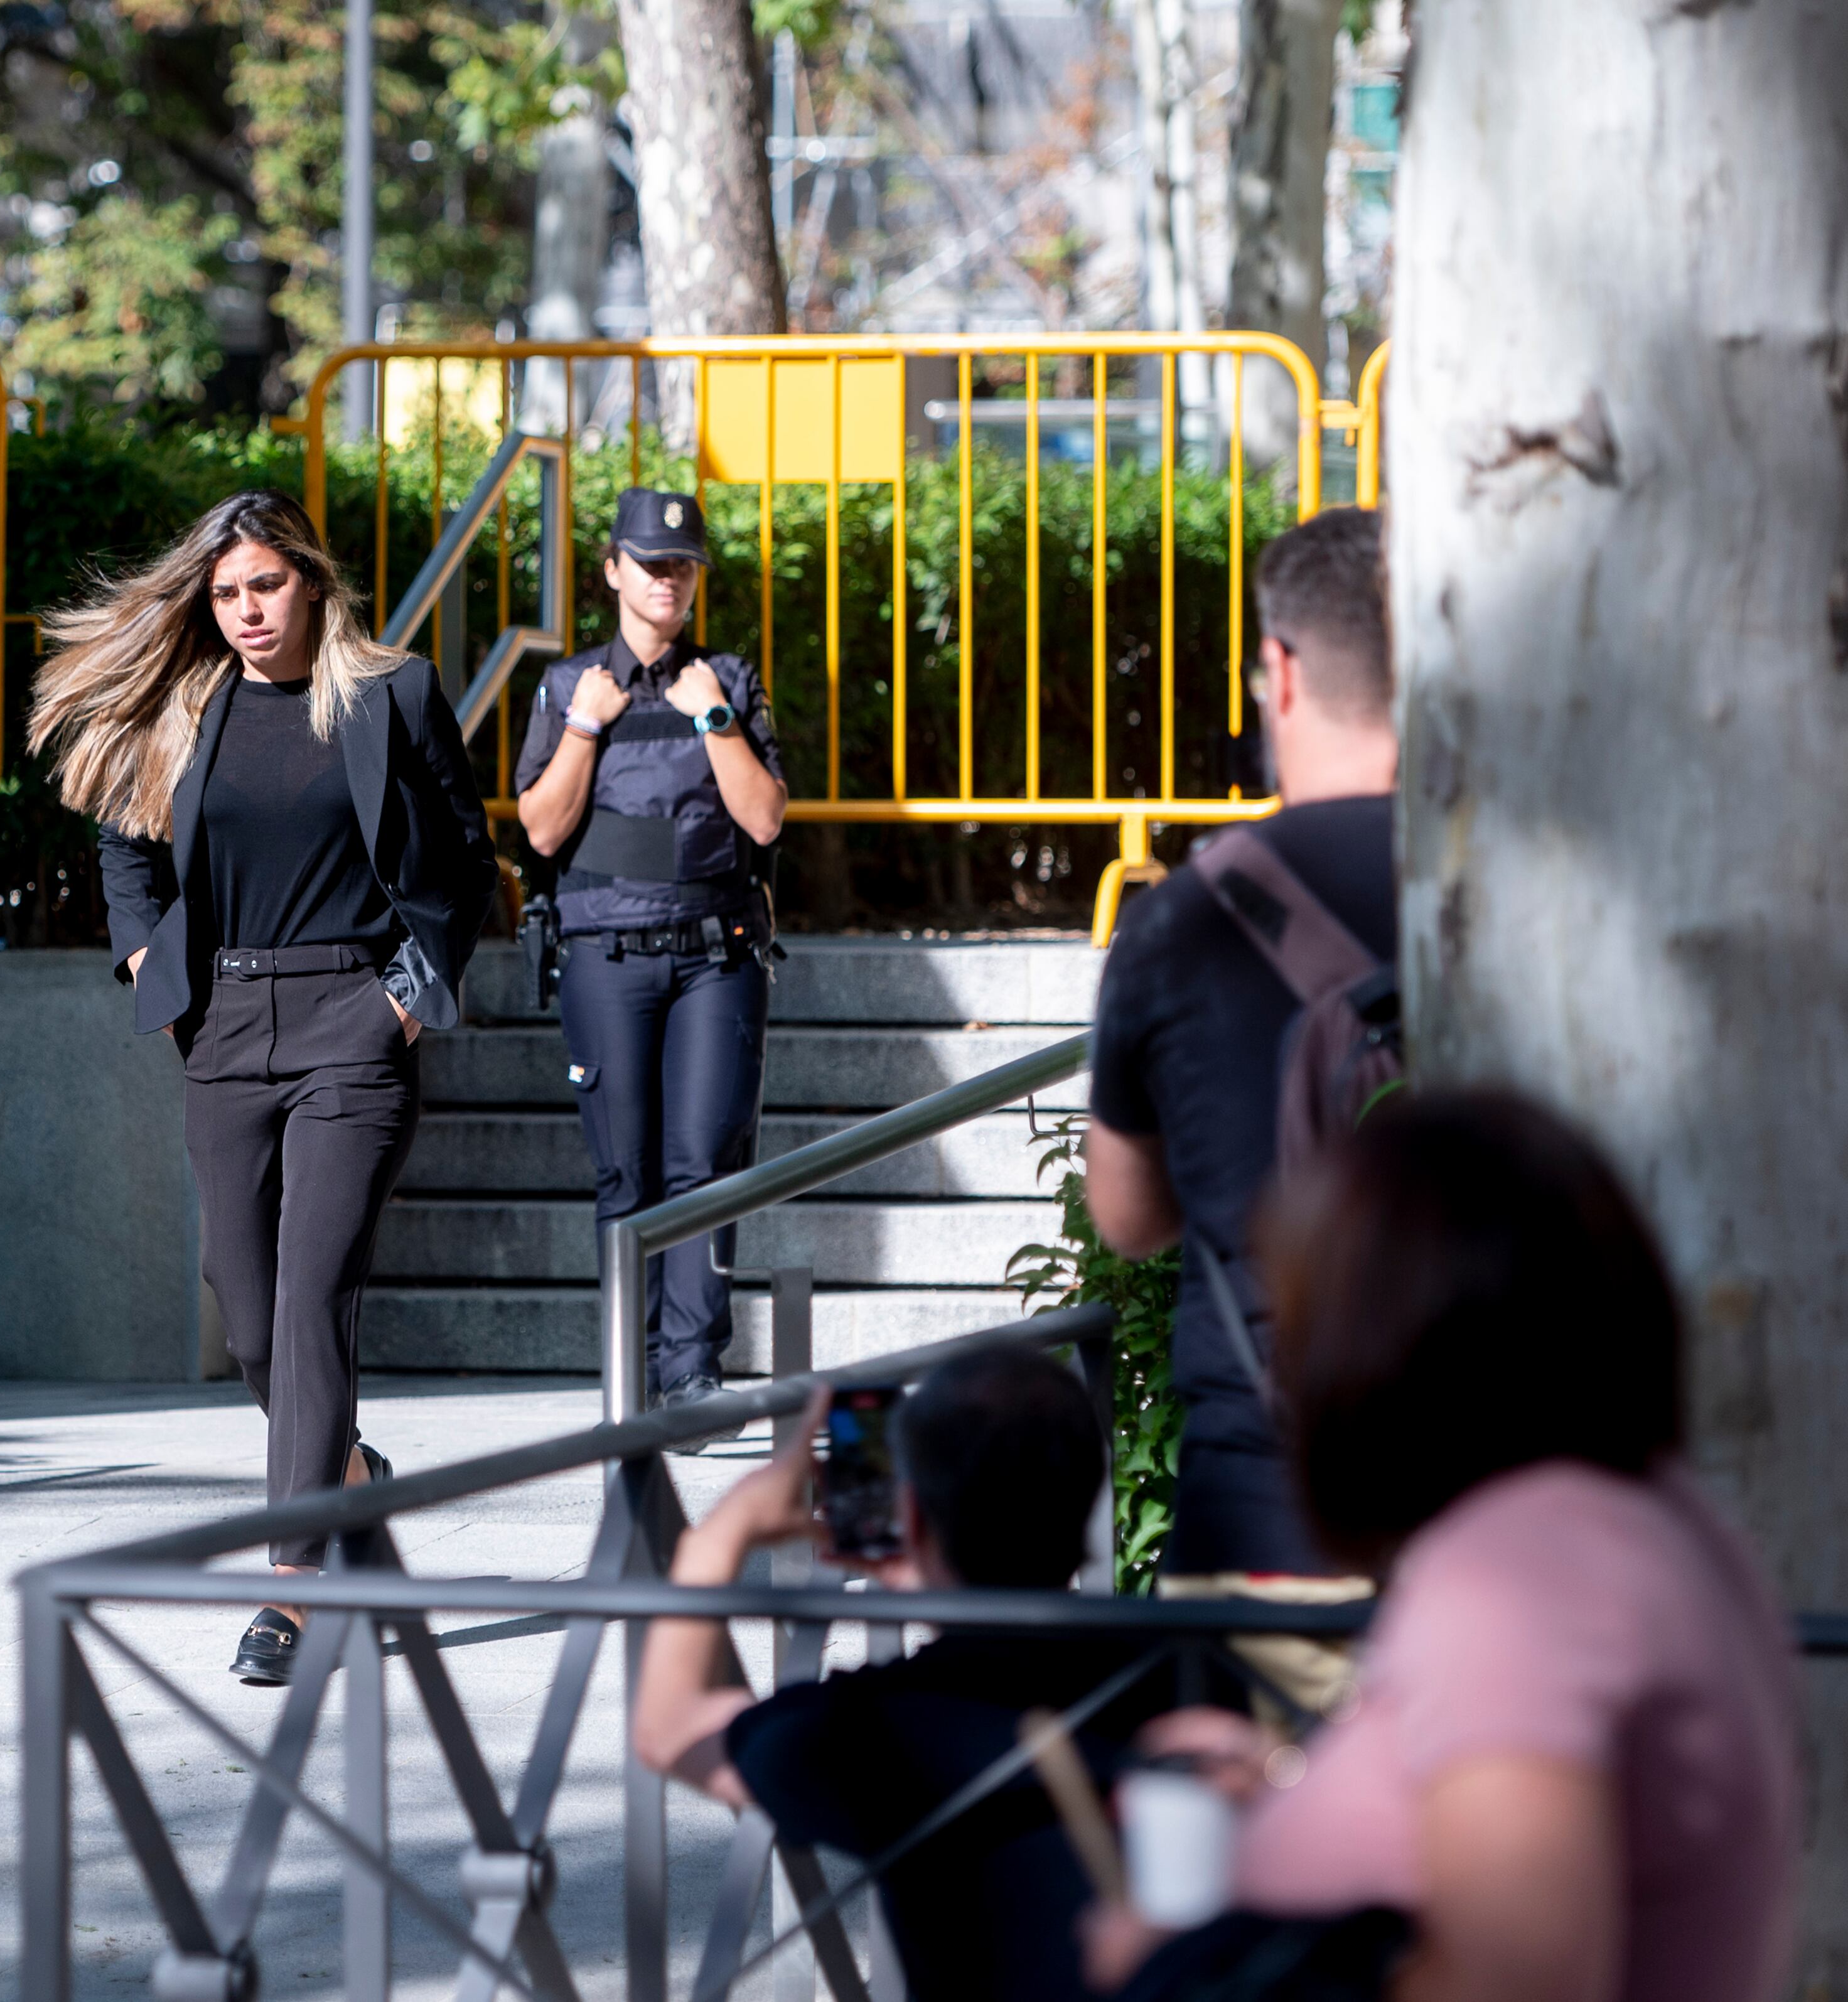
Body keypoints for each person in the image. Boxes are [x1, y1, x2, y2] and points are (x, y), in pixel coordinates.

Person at [1089, 1092, 1803, 2002]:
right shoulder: (1654, 1517)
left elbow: (1513, 1980)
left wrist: (1180, 1955)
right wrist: (1297, 1797)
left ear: (1373, 1347)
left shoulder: (1518, 1570)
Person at [31, 488, 493, 1686]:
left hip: (355, 1016)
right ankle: (347, 1472)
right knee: (246, 1312)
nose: (246, 612)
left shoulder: (391, 695)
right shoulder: (187, 707)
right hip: (224, 1023)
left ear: (313, 582)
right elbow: (125, 848)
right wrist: (149, 960)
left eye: (266, 586)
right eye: (227, 593)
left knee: (314, 1286)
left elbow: (463, 856)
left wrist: (407, 988)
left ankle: (292, 1587)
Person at [634, 1342, 1180, 2001]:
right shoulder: (1183, 1665)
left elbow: (668, 1728)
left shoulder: (875, 1727)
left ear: (913, 1516)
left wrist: (717, 1537)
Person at [1082, 505, 1392, 1594]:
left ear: (1281, 668)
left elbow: (1128, 1217)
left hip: (1268, 1520)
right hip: (1502, 1523)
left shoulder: (1187, 916)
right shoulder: (1532, 884)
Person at [513, 488, 787, 1432]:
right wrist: (587, 725)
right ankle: (631, 1373)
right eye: (652, 562)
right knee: (625, 1172)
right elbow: (543, 833)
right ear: (613, 570)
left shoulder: (730, 682)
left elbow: (762, 818)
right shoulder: (568, 687)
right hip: (605, 955)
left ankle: (693, 1371)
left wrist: (713, 717)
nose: (669, 579)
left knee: (704, 1162)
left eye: (683, 565)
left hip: (716, 954)